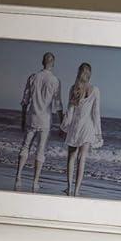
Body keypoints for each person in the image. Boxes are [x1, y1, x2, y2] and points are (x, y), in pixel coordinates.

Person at [14, 51, 62, 192]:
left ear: (42, 62)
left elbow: (25, 101)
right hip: (45, 120)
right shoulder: (55, 81)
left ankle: (18, 175)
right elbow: (58, 104)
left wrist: (23, 118)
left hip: (32, 117)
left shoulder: (33, 77)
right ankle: (35, 181)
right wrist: (62, 123)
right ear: (52, 63)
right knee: (40, 150)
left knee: (25, 146)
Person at [62, 62, 103, 197]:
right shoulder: (95, 90)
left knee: (71, 157)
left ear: (79, 73)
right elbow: (96, 113)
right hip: (88, 127)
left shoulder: (74, 89)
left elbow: (70, 111)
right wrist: (98, 132)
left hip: (75, 126)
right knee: (82, 158)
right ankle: (77, 190)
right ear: (90, 74)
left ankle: (69, 187)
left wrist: (65, 125)